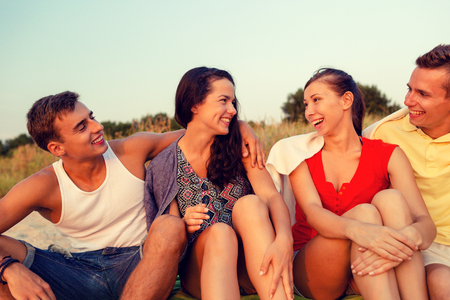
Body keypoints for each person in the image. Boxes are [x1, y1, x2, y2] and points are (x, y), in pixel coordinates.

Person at [0, 91, 264, 300]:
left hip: (143, 260)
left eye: (92, 117)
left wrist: (239, 125)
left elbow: (197, 133)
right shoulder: (43, 185)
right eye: (82, 127)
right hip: (79, 271)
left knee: (170, 226)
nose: (97, 126)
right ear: (57, 148)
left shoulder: (130, 149)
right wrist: (8, 268)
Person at [267, 68, 436, 300]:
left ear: (346, 100)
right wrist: (362, 231)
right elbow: (314, 214)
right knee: (365, 213)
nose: (309, 111)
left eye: (316, 100)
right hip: (316, 268)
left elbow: (426, 226)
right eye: (306, 104)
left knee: (391, 199)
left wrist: (398, 244)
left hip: (369, 264)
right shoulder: (299, 155)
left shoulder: (388, 155)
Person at [144, 67, 293, 300]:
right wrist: (183, 224)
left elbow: (271, 196)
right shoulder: (165, 164)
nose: (232, 110)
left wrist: (285, 237)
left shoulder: (241, 145)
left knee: (251, 204)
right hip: (200, 269)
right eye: (223, 101)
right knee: (220, 233)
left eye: (233, 102)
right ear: (194, 104)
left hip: (250, 267)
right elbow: (169, 238)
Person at [363, 44, 450, 300]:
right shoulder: (383, 134)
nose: (408, 100)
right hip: (420, 248)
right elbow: (331, 143)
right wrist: (242, 128)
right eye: (409, 89)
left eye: (422, 93)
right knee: (443, 285)